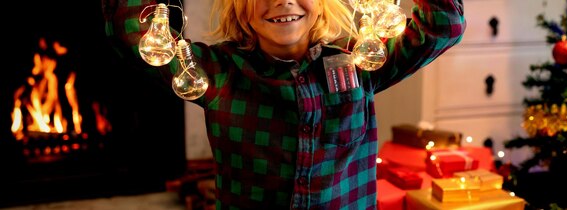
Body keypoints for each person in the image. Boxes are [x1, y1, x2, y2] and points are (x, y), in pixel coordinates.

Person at [102, 0, 465, 209]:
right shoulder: (218, 74)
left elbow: (443, 24)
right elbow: (131, 33)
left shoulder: (361, 62)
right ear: (240, 8)